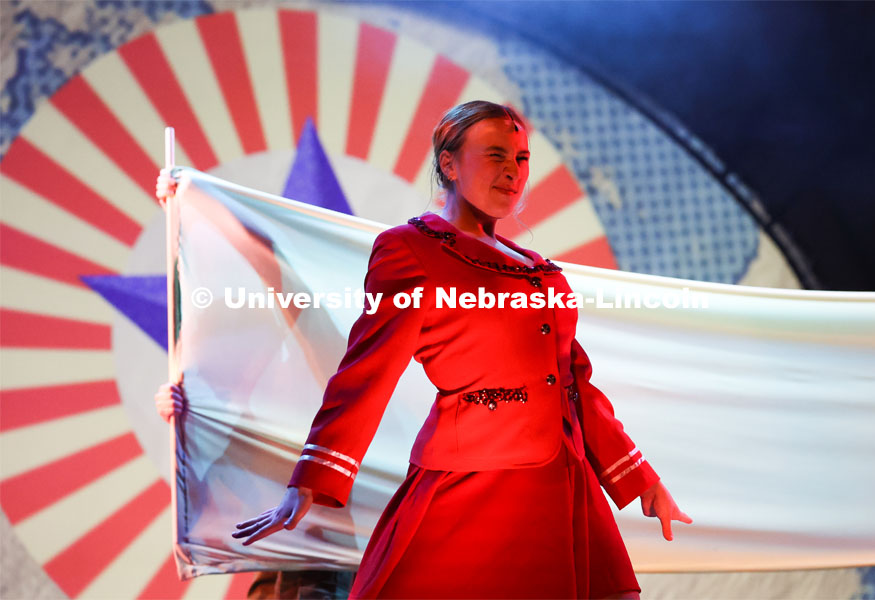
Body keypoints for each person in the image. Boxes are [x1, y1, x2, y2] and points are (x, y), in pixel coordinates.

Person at [159, 100, 691, 599]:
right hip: (473, 487)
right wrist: (311, 479)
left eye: (522, 158)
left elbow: (575, 386)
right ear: (450, 164)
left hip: (562, 483)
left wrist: (641, 479)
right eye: (496, 155)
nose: (514, 170)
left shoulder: (542, 274)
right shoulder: (409, 252)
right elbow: (365, 372)